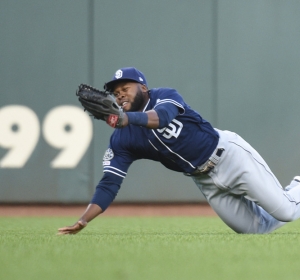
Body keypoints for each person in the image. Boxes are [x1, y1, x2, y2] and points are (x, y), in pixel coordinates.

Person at [58, 67, 300, 235]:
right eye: (115, 91)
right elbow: (109, 183)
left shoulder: (164, 96)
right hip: (205, 181)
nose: (119, 93)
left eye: (125, 87)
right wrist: (84, 219)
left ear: (143, 87)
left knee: (287, 211)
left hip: (229, 156)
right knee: (255, 228)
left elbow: (162, 118)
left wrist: (124, 118)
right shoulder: (122, 140)